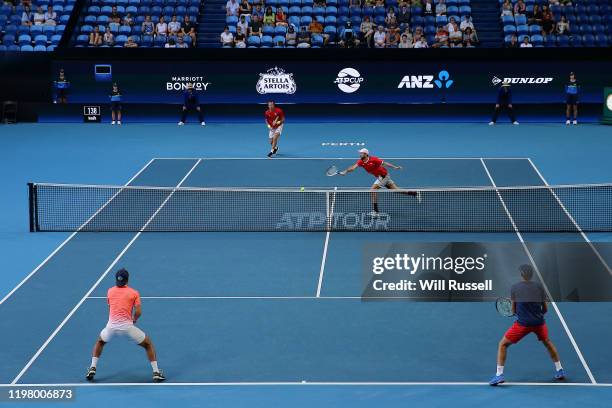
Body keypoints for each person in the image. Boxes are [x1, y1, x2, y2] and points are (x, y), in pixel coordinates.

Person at [489, 265, 565, 386]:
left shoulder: (515, 288)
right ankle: (560, 370)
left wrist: (521, 314)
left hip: (522, 325)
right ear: (532, 274)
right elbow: (545, 308)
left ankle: (499, 375)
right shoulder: (539, 287)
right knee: (548, 343)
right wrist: (537, 315)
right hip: (539, 323)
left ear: (521, 274)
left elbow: (513, 310)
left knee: (502, 344)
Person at [85, 269, 165, 383]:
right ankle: (156, 373)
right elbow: (138, 312)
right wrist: (134, 319)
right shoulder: (134, 293)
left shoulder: (110, 291)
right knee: (148, 344)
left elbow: (111, 306)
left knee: (100, 342)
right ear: (128, 279)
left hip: (111, 328)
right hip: (127, 328)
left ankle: (92, 367)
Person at [338, 149, 421, 215]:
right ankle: (415, 193)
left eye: (361, 153)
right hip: (380, 177)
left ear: (366, 154)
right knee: (396, 190)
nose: (359, 154)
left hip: (384, 176)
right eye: (359, 153)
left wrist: (395, 167)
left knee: (373, 190)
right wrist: (345, 171)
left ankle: (375, 211)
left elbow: (384, 163)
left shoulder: (374, 159)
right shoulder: (360, 161)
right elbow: (353, 167)